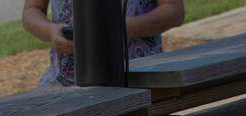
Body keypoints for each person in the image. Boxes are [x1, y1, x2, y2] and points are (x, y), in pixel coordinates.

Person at [22, 0, 184, 87]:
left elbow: (174, 10)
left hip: (141, 80)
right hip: (66, 84)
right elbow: (31, 10)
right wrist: (51, 32)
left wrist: (121, 29)